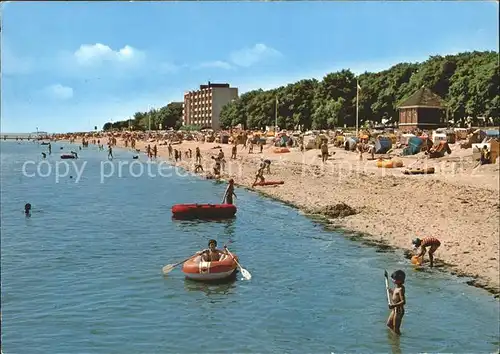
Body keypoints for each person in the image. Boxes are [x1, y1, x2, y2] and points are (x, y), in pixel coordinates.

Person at [386, 270, 406, 335]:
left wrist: (393, 305)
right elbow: (396, 297)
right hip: (394, 310)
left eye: (394, 279)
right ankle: (394, 338)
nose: (392, 280)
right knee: (389, 324)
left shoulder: (401, 289)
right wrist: (391, 292)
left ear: (399, 280)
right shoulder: (396, 287)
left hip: (399, 311)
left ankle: (397, 339)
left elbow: (403, 301)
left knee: (396, 328)